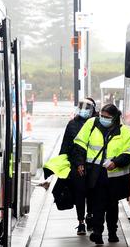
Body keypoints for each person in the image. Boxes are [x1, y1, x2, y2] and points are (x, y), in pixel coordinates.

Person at [73, 103, 130, 245]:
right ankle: (97, 233)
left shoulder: (123, 131)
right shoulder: (91, 124)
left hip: (114, 176)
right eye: (101, 115)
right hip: (96, 173)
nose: (103, 118)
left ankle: (112, 232)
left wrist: (116, 162)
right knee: (97, 204)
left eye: (106, 117)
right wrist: (80, 163)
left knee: (112, 205)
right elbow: (79, 144)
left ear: (114, 118)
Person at [40, 98, 97, 235]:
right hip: (76, 165)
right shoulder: (72, 124)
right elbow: (65, 145)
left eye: (87, 108)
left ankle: (90, 215)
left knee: (92, 193)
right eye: (81, 107)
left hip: (93, 165)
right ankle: (81, 221)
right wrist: (64, 165)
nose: (83, 110)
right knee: (80, 194)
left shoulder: (96, 123)